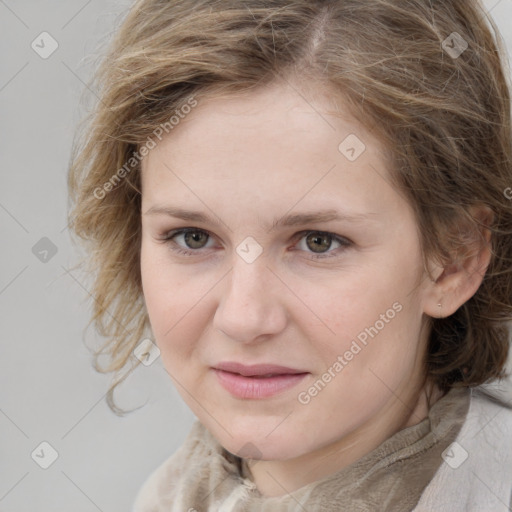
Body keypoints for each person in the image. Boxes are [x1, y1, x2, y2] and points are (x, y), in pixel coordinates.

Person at [67, 0, 512, 510]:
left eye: (318, 242)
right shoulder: (168, 496)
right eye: (192, 237)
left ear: (454, 260)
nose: (244, 317)